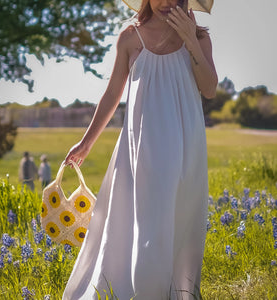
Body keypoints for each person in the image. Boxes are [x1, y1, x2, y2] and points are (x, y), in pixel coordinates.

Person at [63, 0, 217, 298]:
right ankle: (146, 291)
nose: (167, 2)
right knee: (147, 223)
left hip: (188, 144)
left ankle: (175, 291)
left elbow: (209, 88)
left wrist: (189, 39)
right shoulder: (131, 37)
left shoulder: (198, 38)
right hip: (143, 144)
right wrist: (86, 142)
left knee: (181, 221)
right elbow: (112, 94)